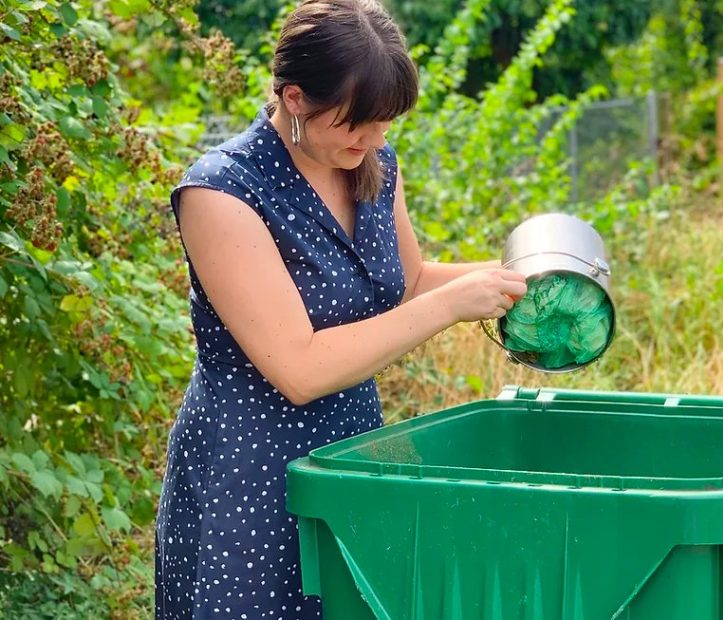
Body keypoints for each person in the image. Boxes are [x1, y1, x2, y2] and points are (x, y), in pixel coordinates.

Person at [153, 0, 527, 617]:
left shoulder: (371, 162)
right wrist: (455, 305)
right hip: (252, 473)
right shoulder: (221, 192)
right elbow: (299, 370)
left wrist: (521, 277)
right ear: (295, 99)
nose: (376, 139)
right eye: (358, 122)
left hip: (352, 454)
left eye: (386, 123)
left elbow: (405, 284)